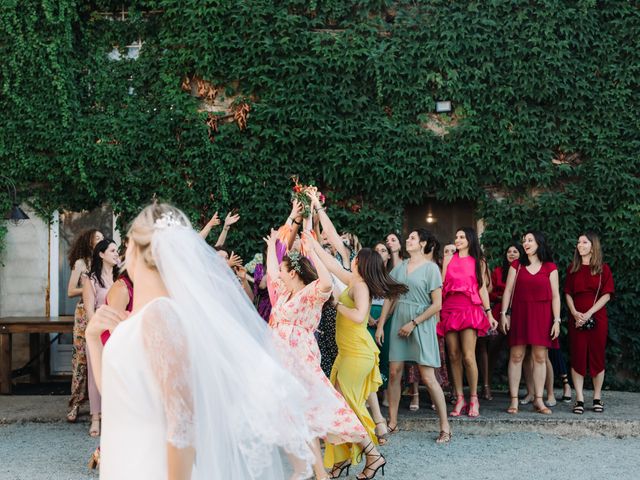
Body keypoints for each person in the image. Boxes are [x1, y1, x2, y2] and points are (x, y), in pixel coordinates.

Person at [87, 203, 318, 480]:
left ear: (136, 250)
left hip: (152, 467)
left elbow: (183, 422)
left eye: (126, 246)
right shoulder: (140, 319)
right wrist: (93, 340)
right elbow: (118, 393)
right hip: (124, 464)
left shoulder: (161, 316)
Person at [266, 229, 381, 480]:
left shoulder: (310, 293)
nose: (280, 277)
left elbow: (327, 282)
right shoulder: (286, 293)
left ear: (294, 273)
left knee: (330, 407)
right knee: (302, 416)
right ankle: (318, 472)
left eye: (286, 272)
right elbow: (272, 273)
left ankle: (371, 451)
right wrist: (272, 245)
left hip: (302, 360)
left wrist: (312, 249)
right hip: (286, 363)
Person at [307, 232, 405, 480]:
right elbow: (330, 263)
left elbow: (360, 316)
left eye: (355, 258)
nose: (351, 260)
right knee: (338, 407)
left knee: (345, 408)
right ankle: (341, 462)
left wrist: (336, 305)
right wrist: (311, 242)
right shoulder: (354, 280)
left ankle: (373, 455)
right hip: (347, 353)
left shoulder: (360, 286)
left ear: (360, 263)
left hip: (356, 353)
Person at [376, 229, 452, 443]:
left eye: (412, 238)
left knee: (428, 377)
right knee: (394, 373)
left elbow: (437, 304)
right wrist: (381, 324)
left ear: (422, 243)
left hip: (421, 323)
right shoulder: (399, 268)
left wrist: (414, 323)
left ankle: (445, 426)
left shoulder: (431, 269)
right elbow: (391, 298)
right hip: (398, 320)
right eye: (408, 237)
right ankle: (392, 422)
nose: (408, 240)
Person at [438, 228, 497, 417]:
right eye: (456, 237)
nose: (458, 239)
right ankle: (459, 398)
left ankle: (473, 398)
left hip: (469, 308)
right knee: (453, 355)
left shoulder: (478, 261)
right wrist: (437, 310)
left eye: (462, 237)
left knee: (468, 356)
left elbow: (482, 288)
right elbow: (441, 285)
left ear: (470, 239)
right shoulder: (449, 259)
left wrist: (489, 313)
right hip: (449, 307)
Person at [501, 231, 561, 415]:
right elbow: (508, 291)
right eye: (524, 241)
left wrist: (557, 320)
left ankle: (538, 400)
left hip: (542, 314)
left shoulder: (550, 267)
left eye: (529, 240)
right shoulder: (516, 265)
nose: (525, 243)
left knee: (540, 357)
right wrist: (504, 314)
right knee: (516, 356)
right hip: (520, 312)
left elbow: (556, 295)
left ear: (539, 243)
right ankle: (514, 401)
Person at [565, 232, 614, 414]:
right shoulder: (573, 268)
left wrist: (588, 313)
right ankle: (579, 398)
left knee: (597, 355)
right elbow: (568, 293)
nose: (580, 245)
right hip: (576, 318)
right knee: (577, 355)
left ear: (593, 246)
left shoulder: (603, 269)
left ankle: (597, 397)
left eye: (584, 242)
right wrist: (575, 313)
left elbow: (607, 294)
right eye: (578, 242)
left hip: (597, 318)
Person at [82, 239, 119, 437]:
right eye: (112, 250)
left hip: (118, 332)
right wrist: (94, 335)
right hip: (98, 331)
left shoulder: (120, 277)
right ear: (101, 254)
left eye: (117, 250)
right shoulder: (91, 279)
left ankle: (112, 416)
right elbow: (89, 311)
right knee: (96, 375)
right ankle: (95, 417)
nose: (116, 253)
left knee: (115, 375)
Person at [66, 229, 104, 423]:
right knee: (81, 359)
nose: (100, 240)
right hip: (83, 313)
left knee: (100, 359)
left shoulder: (104, 262)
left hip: (102, 310)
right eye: (97, 238)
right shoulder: (81, 262)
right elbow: (71, 290)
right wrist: (89, 287)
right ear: (89, 241)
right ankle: (75, 404)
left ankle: (100, 408)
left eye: (102, 238)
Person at [481, 243, 524, 401]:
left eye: (515, 251)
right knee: (492, 348)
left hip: (519, 312)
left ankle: (518, 388)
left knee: (518, 352)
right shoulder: (498, 271)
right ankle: (487, 385)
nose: (512, 254)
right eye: (509, 251)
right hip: (499, 312)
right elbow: (489, 293)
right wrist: (502, 297)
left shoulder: (524, 269)